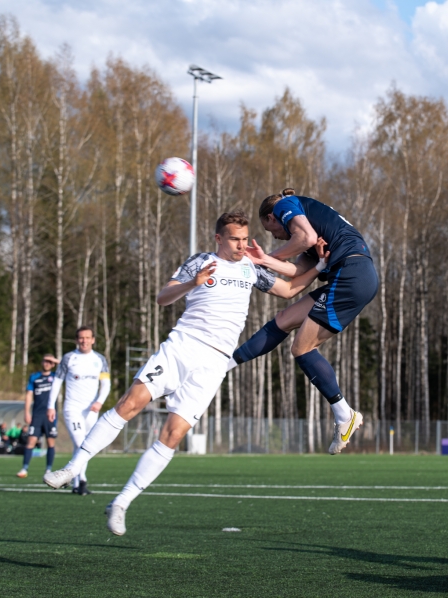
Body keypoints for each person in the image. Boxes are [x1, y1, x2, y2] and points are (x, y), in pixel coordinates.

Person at [45, 210, 329, 535]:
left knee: (173, 435)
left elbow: (289, 290)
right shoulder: (200, 262)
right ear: (219, 238)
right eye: (234, 239)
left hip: (214, 363)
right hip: (183, 346)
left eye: (244, 238)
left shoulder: (252, 267)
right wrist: (191, 284)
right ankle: (73, 467)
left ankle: (122, 502)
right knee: (130, 403)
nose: (241, 245)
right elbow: (162, 298)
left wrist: (319, 267)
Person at [231, 188, 378, 454]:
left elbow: (304, 236)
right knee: (284, 319)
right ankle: (227, 362)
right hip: (350, 276)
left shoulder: (286, 205)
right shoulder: (309, 236)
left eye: (271, 230)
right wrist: (265, 259)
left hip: (351, 276)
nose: (275, 235)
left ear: (272, 217)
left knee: (301, 348)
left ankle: (344, 414)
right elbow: (298, 272)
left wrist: (270, 256)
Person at [47, 327, 111, 496]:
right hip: (72, 408)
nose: (84, 341)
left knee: (85, 445)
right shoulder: (69, 358)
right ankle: (81, 480)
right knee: (80, 443)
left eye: (87, 338)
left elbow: (106, 384)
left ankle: (76, 483)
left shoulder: (100, 359)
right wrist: (50, 406)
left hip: (91, 410)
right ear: (77, 340)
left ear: (93, 340)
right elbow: (57, 382)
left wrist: (99, 402)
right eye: (81, 338)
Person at [17, 354, 60, 478]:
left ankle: (48, 470)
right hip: (37, 414)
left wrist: (56, 361)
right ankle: (24, 468)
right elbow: (29, 395)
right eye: (45, 361)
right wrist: (26, 412)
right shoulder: (34, 377)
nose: (47, 363)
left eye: (49, 361)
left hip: (50, 415)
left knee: (50, 442)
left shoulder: (56, 376)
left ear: (53, 364)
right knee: (31, 441)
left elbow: (68, 368)